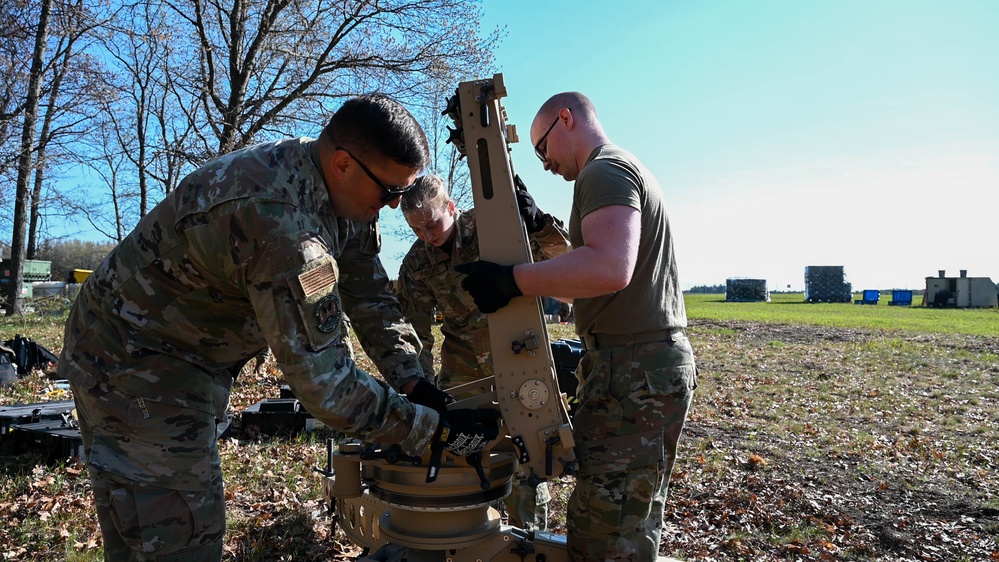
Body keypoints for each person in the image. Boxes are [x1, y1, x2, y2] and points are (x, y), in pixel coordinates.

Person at [58, 94, 500, 561]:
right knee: (176, 533)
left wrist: (414, 380)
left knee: (151, 531)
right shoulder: (284, 227)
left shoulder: (340, 193)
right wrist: (431, 430)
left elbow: (369, 295)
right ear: (345, 164)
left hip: (178, 352)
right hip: (133, 358)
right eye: (390, 193)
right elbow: (327, 387)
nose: (393, 206)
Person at [454, 92, 698, 562]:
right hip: (634, 367)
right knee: (622, 519)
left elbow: (610, 267)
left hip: (635, 371)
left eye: (542, 149)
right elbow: (584, 286)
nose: (544, 164)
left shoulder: (603, 170)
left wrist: (512, 280)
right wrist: (541, 236)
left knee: (607, 533)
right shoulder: (615, 170)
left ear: (565, 120)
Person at [395, 174, 570, 530]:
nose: (427, 237)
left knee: (528, 459)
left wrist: (538, 224)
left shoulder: (496, 229)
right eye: (417, 230)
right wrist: (423, 388)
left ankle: (527, 539)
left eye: (431, 225)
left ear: (451, 207)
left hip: (521, 360)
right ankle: (469, 532)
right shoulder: (416, 264)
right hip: (463, 372)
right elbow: (413, 334)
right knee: (460, 454)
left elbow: (565, 258)